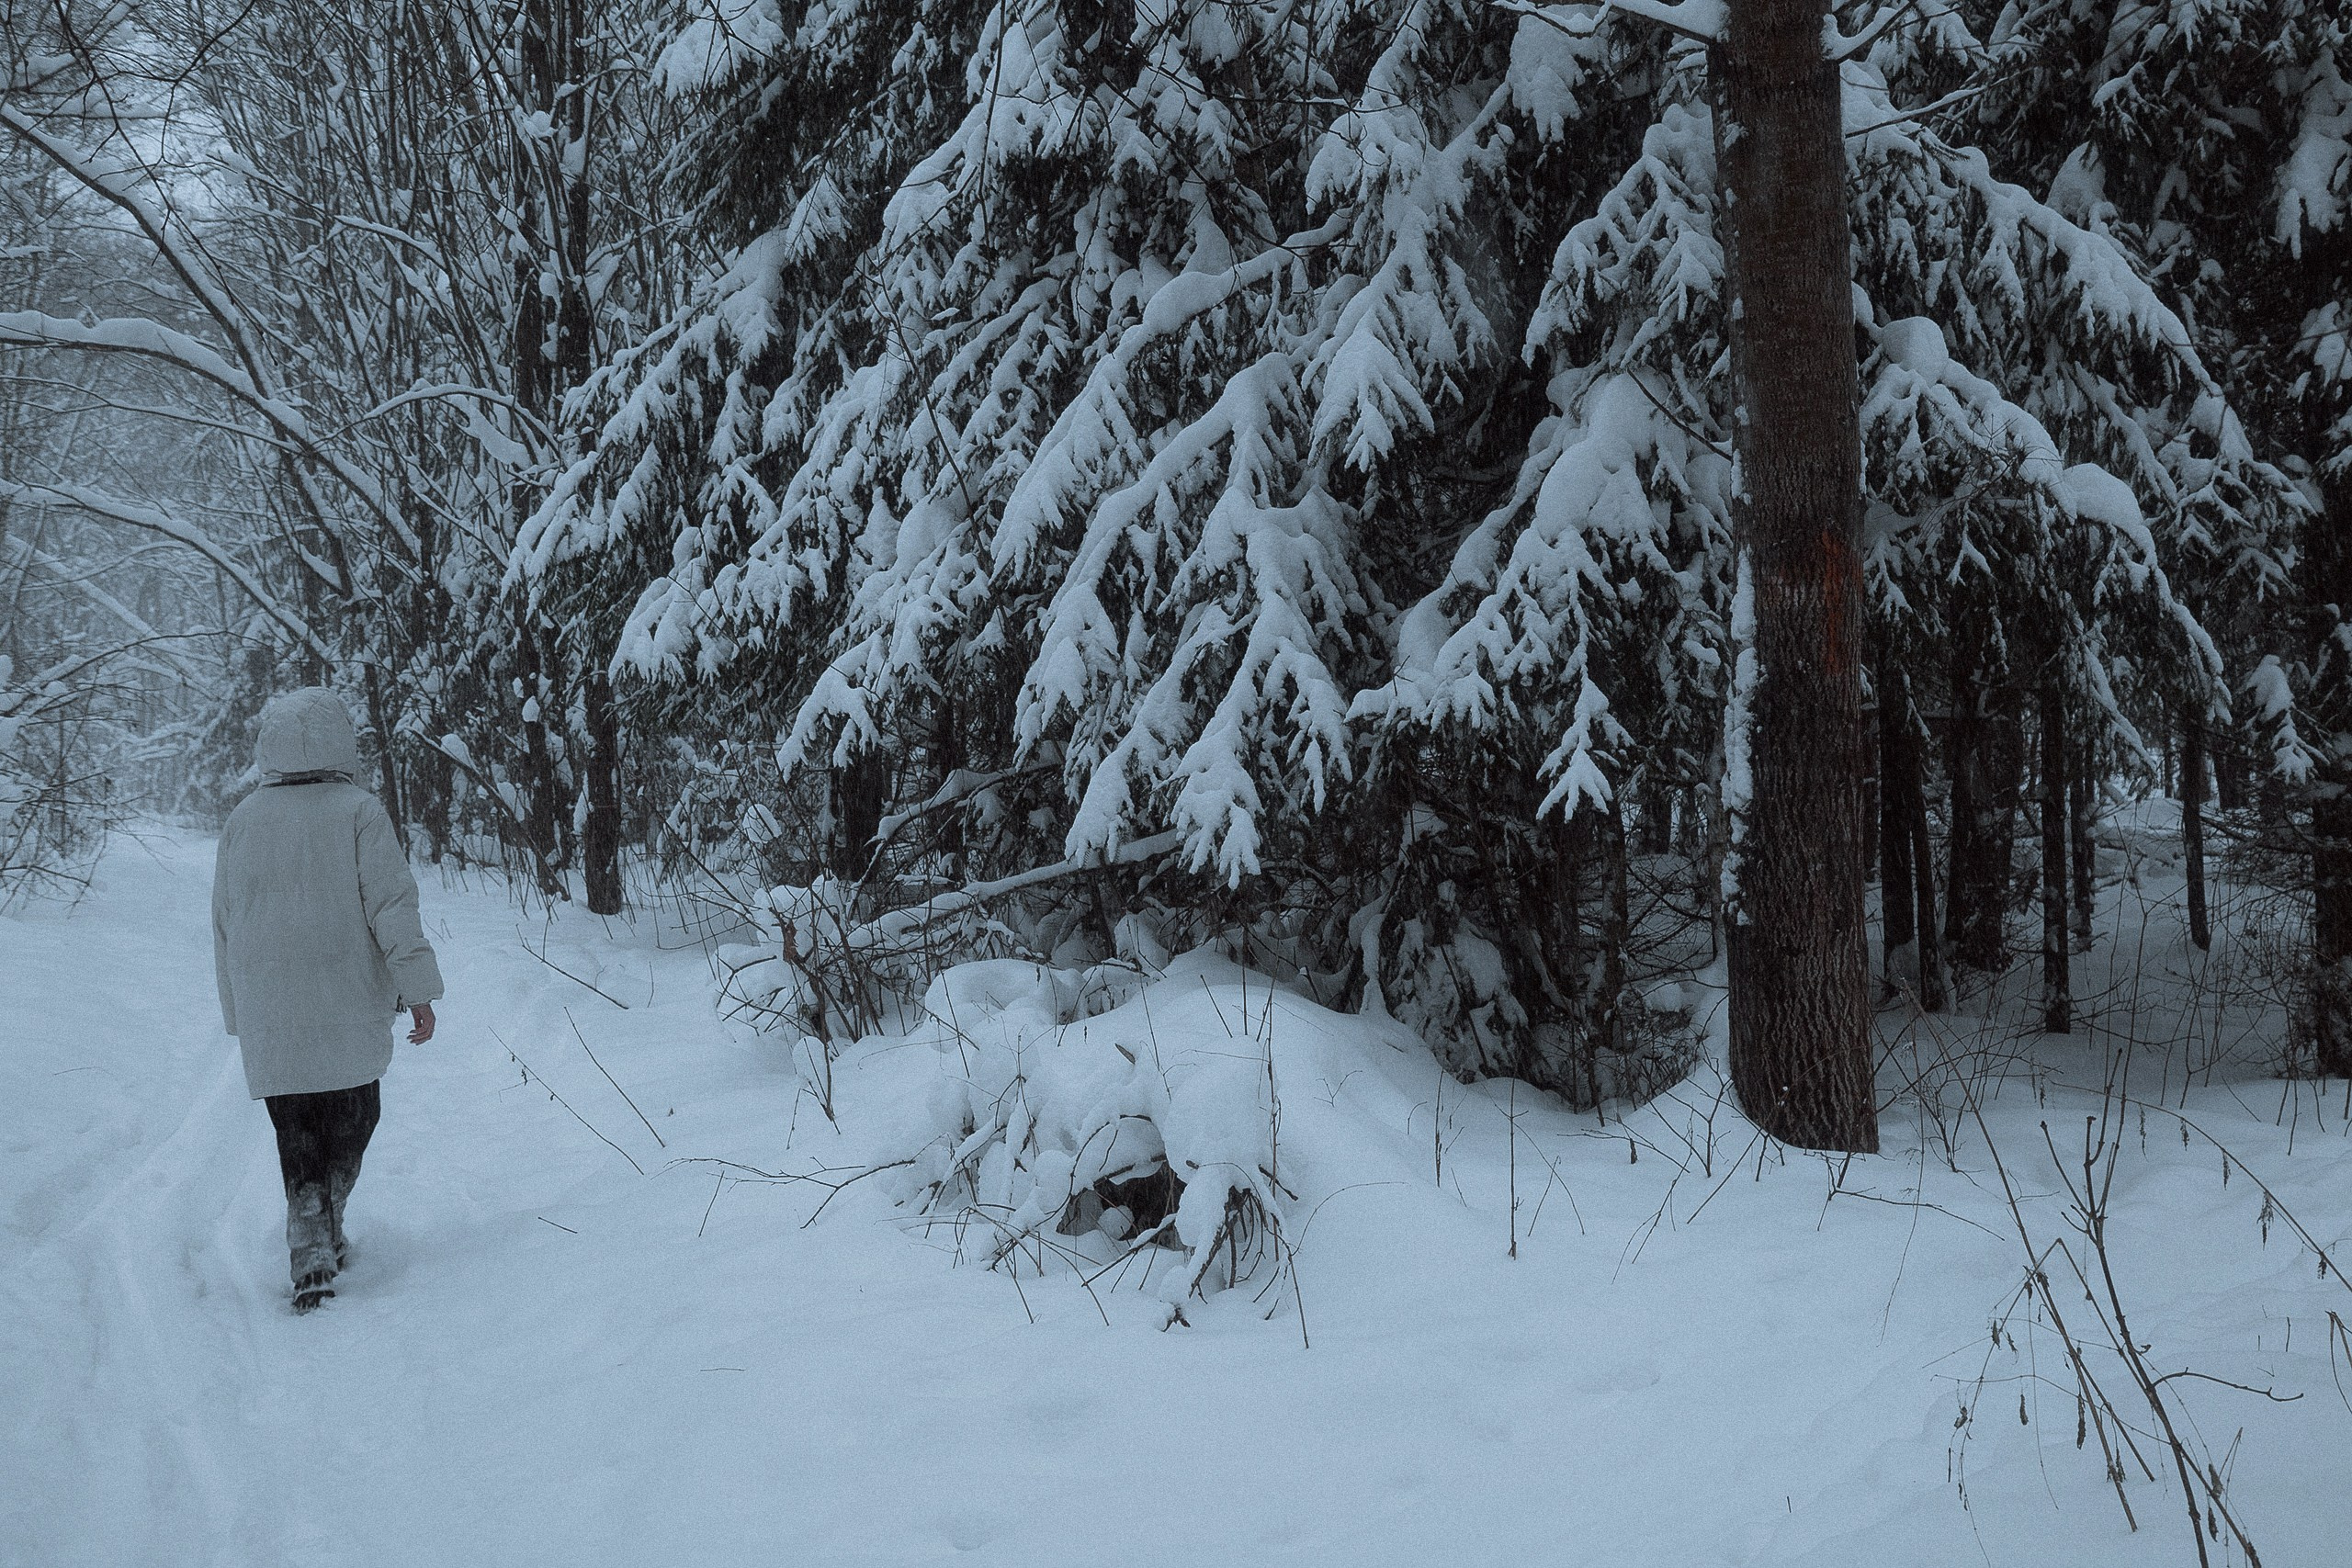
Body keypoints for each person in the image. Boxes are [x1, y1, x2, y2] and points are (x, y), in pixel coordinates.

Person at [212, 688, 444, 1314]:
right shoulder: (359, 811)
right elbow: (393, 906)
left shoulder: (242, 821)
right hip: (348, 1001)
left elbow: (225, 926)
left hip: (276, 1015)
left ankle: (311, 1223)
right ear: (342, 738)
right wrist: (417, 989)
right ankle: (324, 1216)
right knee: (356, 1114)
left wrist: (239, 1013)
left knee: (297, 1133)